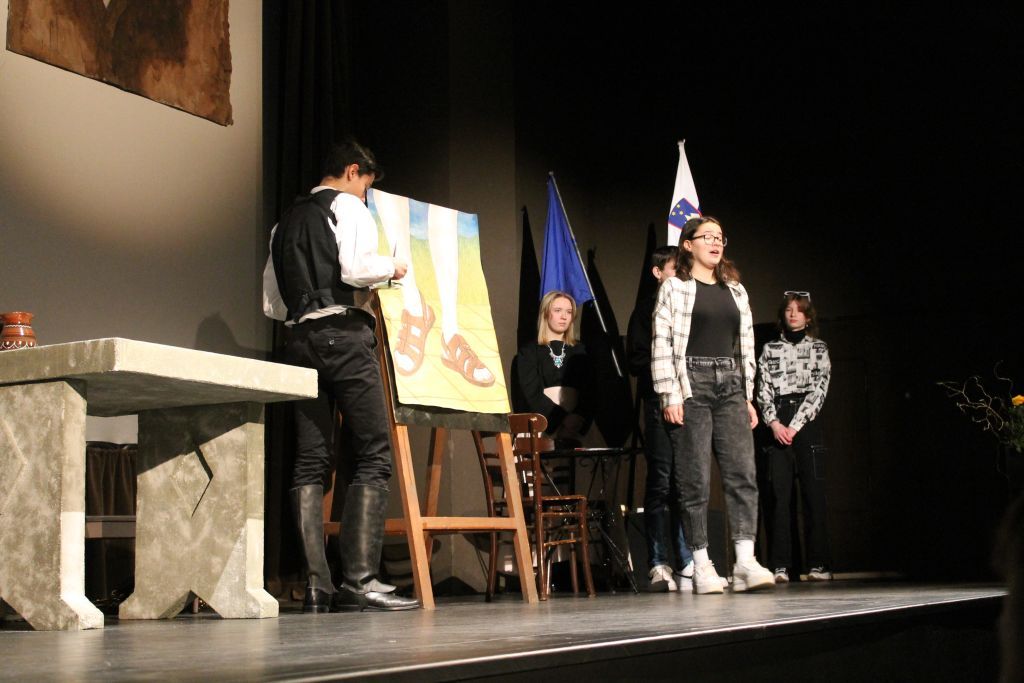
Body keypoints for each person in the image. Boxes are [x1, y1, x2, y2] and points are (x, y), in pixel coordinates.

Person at [262, 140, 419, 612]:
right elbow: (353, 269)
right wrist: (392, 267)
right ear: (353, 171)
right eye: (367, 185)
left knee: (310, 460)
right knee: (373, 452)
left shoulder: (284, 222)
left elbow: (271, 304)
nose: (366, 195)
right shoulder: (347, 207)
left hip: (298, 342)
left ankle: (318, 585)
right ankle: (360, 580)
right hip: (344, 338)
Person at [652, 216, 775, 594]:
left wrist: (748, 396)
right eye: (707, 237)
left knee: (742, 474)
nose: (716, 242)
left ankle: (745, 562)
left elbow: (746, 346)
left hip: (731, 384)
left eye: (720, 237)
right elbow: (662, 342)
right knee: (695, 480)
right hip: (692, 384)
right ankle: (702, 564)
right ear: (688, 245)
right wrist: (670, 394)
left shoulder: (736, 290)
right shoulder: (674, 287)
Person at [627, 246, 697, 591]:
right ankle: (657, 562)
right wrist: (666, 370)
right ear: (657, 273)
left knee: (686, 483)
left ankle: (687, 560)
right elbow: (636, 360)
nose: (682, 274)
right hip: (658, 402)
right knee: (661, 480)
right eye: (675, 268)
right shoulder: (645, 311)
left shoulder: (689, 305)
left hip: (690, 401)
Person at [757, 291, 833, 583]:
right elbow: (763, 388)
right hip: (778, 418)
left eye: (799, 310)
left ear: (808, 317)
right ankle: (781, 566)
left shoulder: (819, 348)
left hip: (806, 423)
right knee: (779, 496)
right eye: (789, 309)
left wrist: (795, 425)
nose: (793, 314)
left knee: (813, 494)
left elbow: (819, 391)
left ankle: (819, 564)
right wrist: (774, 422)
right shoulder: (770, 349)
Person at [513, 291, 593, 441]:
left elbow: (590, 390)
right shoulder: (529, 352)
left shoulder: (581, 351)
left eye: (569, 312)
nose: (564, 316)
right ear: (545, 313)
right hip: (541, 424)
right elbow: (532, 392)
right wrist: (561, 418)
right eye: (557, 310)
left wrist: (577, 418)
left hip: (575, 427)